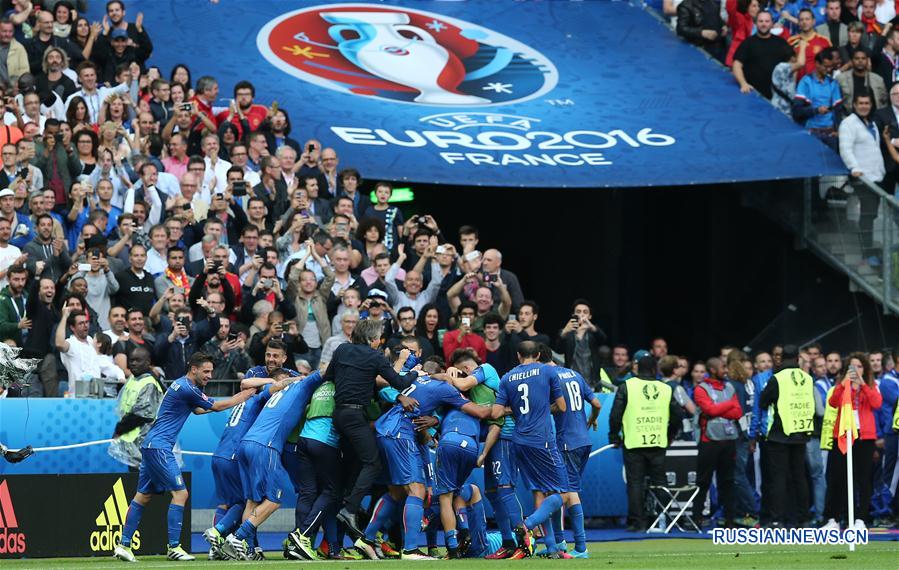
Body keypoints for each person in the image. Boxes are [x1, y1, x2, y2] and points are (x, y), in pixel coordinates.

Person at [113, 353, 255, 563]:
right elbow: (216, 407)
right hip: (160, 447)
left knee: (142, 496)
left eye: (211, 371)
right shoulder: (188, 388)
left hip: (151, 445)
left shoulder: (183, 386)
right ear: (193, 369)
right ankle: (174, 547)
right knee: (181, 493)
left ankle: (124, 545)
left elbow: (197, 410)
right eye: (206, 371)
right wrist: (246, 395)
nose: (210, 376)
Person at [355, 347, 490, 561]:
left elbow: (385, 387)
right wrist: (507, 408)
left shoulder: (417, 379)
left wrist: (434, 418)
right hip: (400, 432)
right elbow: (480, 412)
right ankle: (410, 549)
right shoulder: (446, 389)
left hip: (387, 430)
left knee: (397, 492)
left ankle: (367, 539)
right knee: (417, 490)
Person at [325, 318, 416, 539]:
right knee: (373, 463)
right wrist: (412, 369)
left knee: (354, 466)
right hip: (355, 416)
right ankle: (349, 509)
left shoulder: (342, 349)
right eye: (378, 338)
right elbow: (400, 383)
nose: (379, 341)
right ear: (371, 339)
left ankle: (344, 524)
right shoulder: (375, 356)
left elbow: (329, 376)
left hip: (338, 415)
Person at [224, 370, 326, 560]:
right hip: (266, 446)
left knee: (252, 501)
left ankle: (247, 549)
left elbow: (257, 383)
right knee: (273, 500)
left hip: (246, 444)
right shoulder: (303, 385)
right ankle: (237, 537)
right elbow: (324, 371)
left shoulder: (279, 389)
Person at [486, 341, 567, 559]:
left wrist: (517, 410)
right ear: (538, 354)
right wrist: (540, 408)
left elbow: (495, 413)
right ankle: (526, 525)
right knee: (562, 495)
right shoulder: (548, 371)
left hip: (519, 441)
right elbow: (562, 406)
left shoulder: (507, 377)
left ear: (518, 355)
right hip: (542, 439)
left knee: (543, 492)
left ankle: (551, 547)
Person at [205, 371, 283, 561]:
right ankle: (218, 532)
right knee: (245, 502)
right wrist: (273, 381)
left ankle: (216, 549)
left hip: (219, 455)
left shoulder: (241, 401)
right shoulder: (258, 399)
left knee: (225, 503)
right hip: (234, 456)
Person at [608, 355, 682, 531]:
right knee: (660, 482)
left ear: (637, 369)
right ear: (655, 369)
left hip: (634, 442)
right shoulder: (665, 388)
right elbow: (678, 415)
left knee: (635, 484)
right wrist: (670, 434)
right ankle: (663, 521)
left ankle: (638, 523)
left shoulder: (627, 386)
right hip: (658, 442)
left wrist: (614, 436)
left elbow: (615, 414)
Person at [544, 348, 601, 559]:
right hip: (584, 440)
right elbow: (596, 404)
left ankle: (581, 547)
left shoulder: (549, 377)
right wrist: (592, 419)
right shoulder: (574, 374)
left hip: (567, 442)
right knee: (558, 489)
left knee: (568, 491)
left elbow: (557, 407)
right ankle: (559, 543)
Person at [821, 353, 883, 531]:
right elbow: (833, 402)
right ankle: (833, 519)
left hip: (864, 437)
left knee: (863, 479)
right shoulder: (840, 385)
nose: (856, 370)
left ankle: (860, 520)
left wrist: (862, 384)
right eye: (852, 366)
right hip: (843, 435)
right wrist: (843, 383)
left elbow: (877, 403)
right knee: (837, 477)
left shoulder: (872, 385)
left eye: (859, 366)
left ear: (865, 369)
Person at [758, 344, 815, 527]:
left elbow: (763, 402)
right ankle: (803, 519)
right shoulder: (807, 378)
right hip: (801, 433)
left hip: (779, 434)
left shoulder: (777, 378)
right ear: (797, 358)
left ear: (781, 359)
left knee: (779, 478)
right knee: (800, 477)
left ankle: (778, 520)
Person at [693, 357, 743, 527]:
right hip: (709, 441)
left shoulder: (729, 387)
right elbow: (709, 410)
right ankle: (697, 518)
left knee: (728, 481)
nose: (726, 370)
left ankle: (729, 519)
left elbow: (737, 412)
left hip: (728, 440)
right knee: (703, 481)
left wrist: (719, 409)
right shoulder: (701, 389)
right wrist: (729, 404)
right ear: (713, 370)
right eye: (723, 367)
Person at [108, 347, 164, 469]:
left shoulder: (149, 383)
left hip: (146, 443)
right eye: (131, 360)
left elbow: (141, 414)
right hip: (133, 441)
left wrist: (120, 429)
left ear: (148, 362)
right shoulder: (133, 379)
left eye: (138, 360)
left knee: (146, 477)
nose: (133, 363)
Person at [733, 10, 795, 98]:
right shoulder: (748, 43)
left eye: (767, 21)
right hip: (752, 94)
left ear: (772, 23)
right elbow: (736, 65)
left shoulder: (781, 42)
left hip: (777, 95)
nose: (764, 24)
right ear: (756, 23)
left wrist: (790, 85)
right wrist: (743, 83)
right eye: (761, 21)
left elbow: (793, 64)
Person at [837, 48, 887, 113]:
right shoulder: (841, 79)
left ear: (867, 60)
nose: (860, 61)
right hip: (849, 116)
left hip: (874, 116)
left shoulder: (878, 79)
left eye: (863, 58)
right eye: (857, 58)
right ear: (851, 61)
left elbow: (884, 101)